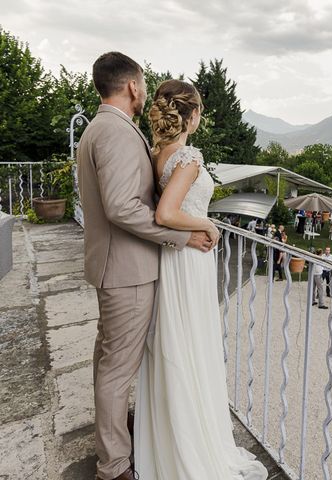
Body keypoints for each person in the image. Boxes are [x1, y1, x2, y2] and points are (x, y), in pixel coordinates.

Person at [76, 53, 214, 480]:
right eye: (143, 82)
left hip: (115, 265)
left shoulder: (100, 128)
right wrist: (183, 235)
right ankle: (114, 465)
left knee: (110, 361)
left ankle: (116, 430)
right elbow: (122, 207)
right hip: (128, 270)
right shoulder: (115, 132)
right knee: (117, 369)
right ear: (133, 86)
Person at [135, 79, 267, 479]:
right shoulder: (187, 156)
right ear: (190, 116)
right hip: (188, 259)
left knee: (177, 346)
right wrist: (208, 223)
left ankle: (170, 442)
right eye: (200, 113)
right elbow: (167, 214)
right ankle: (192, 451)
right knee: (190, 345)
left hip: (173, 257)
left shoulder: (157, 153)